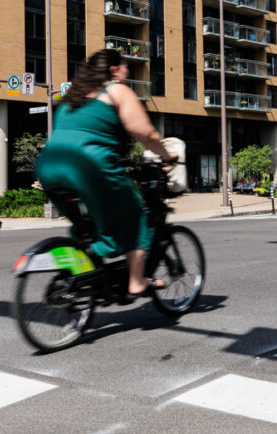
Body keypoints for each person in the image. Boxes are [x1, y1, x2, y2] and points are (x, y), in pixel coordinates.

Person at [34, 49, 178, 296]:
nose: (127, 73)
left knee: (85, 228)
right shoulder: (116, 90)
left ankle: (80, 276)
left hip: (48, 166)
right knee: (135, 215)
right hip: (86, 165)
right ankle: (136, 281)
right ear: (113, 70)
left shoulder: (72, 98)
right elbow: (144, 133)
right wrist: (167, 156)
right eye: (125, 68)